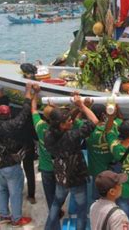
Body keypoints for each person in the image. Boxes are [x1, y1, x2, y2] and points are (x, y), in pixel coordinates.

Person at [43, 93, 99, 230]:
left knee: (56, 203)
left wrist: (76, 109)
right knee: (81, 210)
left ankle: (48, 228)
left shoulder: (48, 134)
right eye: (68, 121)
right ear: (61, 125)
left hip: (61, 176)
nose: (72, 121)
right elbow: (94, 121)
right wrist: (82, 106)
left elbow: (65, 120)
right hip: (76, 178)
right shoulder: (71, 137)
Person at [0, 84, 33, 226]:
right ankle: (17, 219)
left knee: (2, 190)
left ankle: (4, 215)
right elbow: (25, 112)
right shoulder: (12, 125)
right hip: (10, 165)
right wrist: (28, 92)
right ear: (9, 114)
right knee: (15, 192)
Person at [31, 85, 60, 211]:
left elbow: (33, 109)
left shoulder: (40, 126)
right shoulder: (60, 129)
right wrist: (57, 107)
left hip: (46, 167)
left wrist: (35, 93)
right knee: (61, 193)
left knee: (50, 195)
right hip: (59, 167)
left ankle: (54, 212)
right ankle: (58, 209)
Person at [87, 103, 122, 199]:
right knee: (113, 193)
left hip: (96, 172)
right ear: (104, 115)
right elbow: (120, 120)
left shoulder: (87, 130)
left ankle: (97, 207)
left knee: (97, 195)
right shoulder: (114, 126)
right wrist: (115, 111)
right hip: (111, 171)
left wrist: (83, 107)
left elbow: (76, 120)